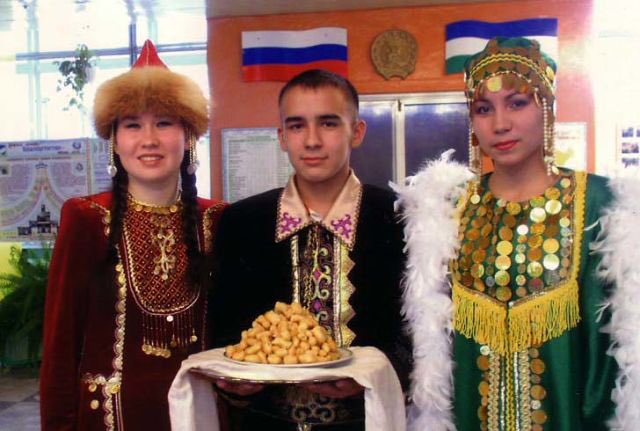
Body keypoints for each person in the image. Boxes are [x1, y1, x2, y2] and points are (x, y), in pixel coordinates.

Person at [397, 37, 621, 430]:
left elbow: (615, 351)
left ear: (547, 107)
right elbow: (432, 343)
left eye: (517, 103)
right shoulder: (448, 209)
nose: (500, 124)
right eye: (483, 109)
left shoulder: (599, 202)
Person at [209, 69, 411, 430]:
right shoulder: (243, 221)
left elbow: (420, 334)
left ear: (357, 131)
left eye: (328, 123)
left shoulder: (399, 218)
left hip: (371, 422)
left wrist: (377, 370)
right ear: (282, 137)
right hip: (265, 424)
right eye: (297, 126)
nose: (312, 141)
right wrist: (236, 382)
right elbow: (224, 330)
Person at [39, 40, 226, 431]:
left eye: (164, 123)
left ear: (189, 136)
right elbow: (60, 348)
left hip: (199, 416)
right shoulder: (86, 218)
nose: (149, 139)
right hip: (110, 419)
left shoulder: (217, 220)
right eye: (132, 125)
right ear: (114, 139)